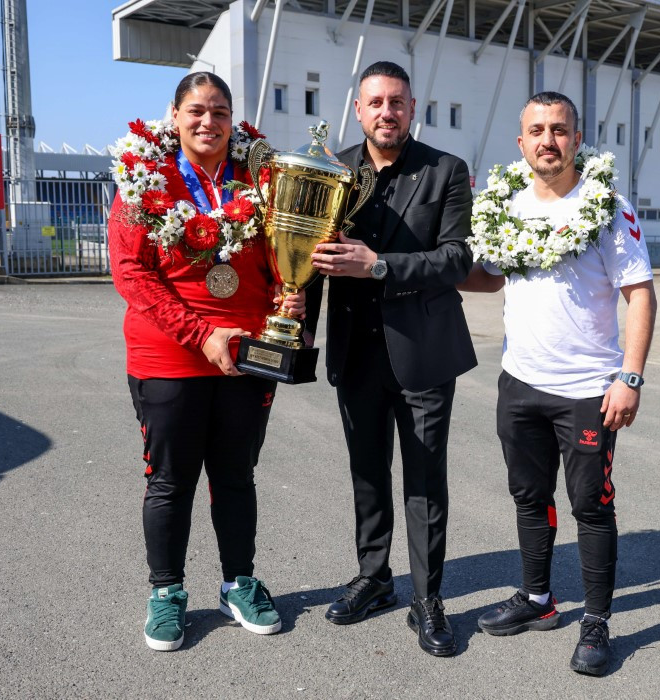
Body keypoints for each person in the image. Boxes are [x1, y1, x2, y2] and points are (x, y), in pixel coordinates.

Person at [459, 91, 657, 675]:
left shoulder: (608, 208)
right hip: (520, 381)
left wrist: (630, 376)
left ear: (577, 138)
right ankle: (539, 599)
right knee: (529, 497)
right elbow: (490, 278)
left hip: (588, 390)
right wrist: (425, 271)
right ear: (520, 143)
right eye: (537, 130)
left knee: (590, 506)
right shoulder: (504, 205)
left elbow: (640, 294)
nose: (548, 140)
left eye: (560, 130)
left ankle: (596, 621)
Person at [108, 72, 305, 651]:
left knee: (236, 475)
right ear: (174, 115)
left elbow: (278, 255)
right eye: (196, 110)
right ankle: (166, 592)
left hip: (246, 356)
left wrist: (287, 294)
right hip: (167, 355)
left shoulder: (258, 176)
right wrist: (199, 334)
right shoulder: (146, 177)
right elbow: (131, 272)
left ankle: (239, 582)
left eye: (220, 111)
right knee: (170, 482)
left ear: (232, 118)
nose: (208, 122)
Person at [305, 61, 476, 657]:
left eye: (397, 102)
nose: (386, 112)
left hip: (423, 353)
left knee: (425, 479)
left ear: (411, 108)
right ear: (358, 108)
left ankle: (428, 599)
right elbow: (308, 261)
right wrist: (297, 334)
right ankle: (374, 578)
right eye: (375, 102)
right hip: (355, 350)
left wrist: (379, 265)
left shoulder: (445, 171)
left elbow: (456, 259)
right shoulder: (330, 170)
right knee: (368, 473)